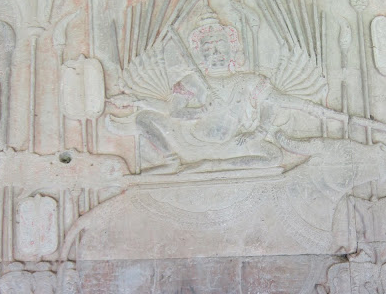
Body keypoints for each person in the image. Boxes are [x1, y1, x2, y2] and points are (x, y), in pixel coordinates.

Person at [108, 11, 344, 174]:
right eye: (208, 48)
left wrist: (262, 130)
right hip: (192, 142)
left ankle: (211, 167)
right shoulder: (192, 81)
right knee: (143, 119)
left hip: (233, 143)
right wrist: (199, 111)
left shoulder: (247, 80)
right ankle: (172, 161)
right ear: (200, 53)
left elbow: (276, 101)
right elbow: (173, 112)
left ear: (232, 48)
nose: (215, 52)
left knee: (273, 157)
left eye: (220, 45)